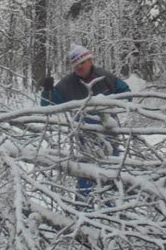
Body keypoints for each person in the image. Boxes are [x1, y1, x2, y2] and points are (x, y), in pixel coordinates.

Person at [40, 44, 130, 201]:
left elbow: (127, 94)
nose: (79, 67)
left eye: (82, 62)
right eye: (75, 65)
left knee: (111, 173)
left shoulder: (105, 77)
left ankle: (112, 210)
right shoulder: (67, 84)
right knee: (85, 173)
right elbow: (48, 105)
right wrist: (47, 91)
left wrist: (109, 105)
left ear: (90, 60)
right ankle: (83, 210)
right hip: (84, 134)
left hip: (109, 132)